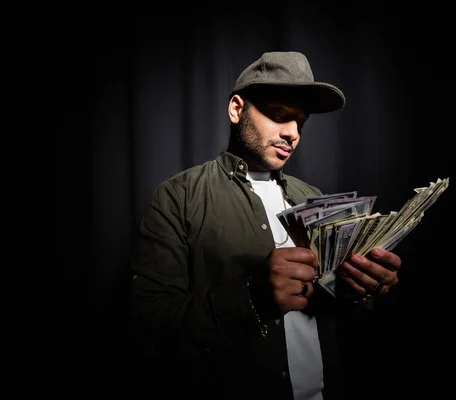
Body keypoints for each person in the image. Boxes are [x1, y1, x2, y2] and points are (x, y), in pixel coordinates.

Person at [129, 51, 402, 400]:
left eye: (300, 122)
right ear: (236, 109)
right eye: (278, 115)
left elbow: (334, 313)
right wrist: (251, 299)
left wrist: (360, 287)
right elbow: (147, 327)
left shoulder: (313, 197)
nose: (293, 134)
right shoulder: (177, 197)